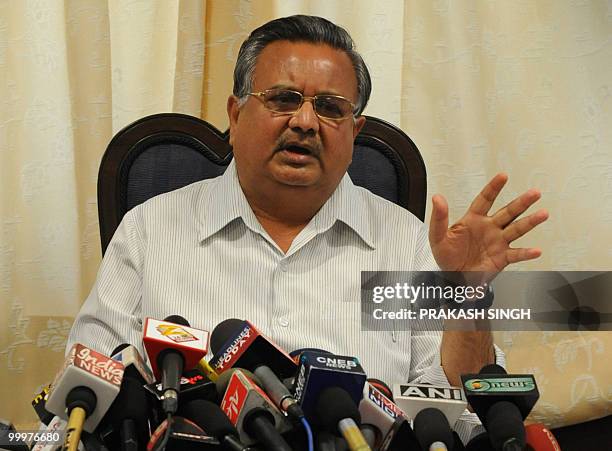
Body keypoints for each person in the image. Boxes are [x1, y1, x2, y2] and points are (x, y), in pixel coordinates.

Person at [67, 15, 548, 439]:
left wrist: (465, 296)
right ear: (235, 115)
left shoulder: (406, 243)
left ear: (354, 133)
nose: (304, 121)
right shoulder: (151, 229)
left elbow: (456, 415)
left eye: (331, 108)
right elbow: (90, 383)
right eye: (283, 98)